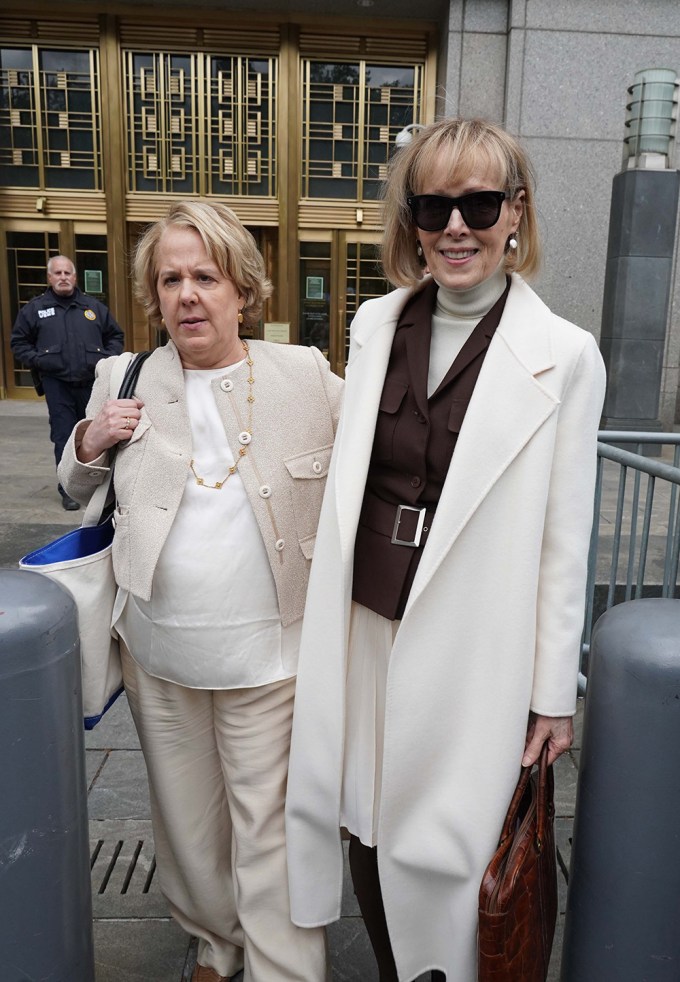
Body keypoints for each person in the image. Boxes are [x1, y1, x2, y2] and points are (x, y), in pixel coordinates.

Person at [285, 117, 606, 982]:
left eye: (478, 202)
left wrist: (551, 695)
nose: (455, 225)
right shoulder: (375, 324)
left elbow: (563, 539)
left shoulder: (567, 356)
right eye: (433, 204)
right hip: (365, 623)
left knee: (454, 844)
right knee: (363, 815)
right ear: (411, 221)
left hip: (476, 646)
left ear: (516, 214)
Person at [58, 200, 343, 982]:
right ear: (155, 295)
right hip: (158, 647)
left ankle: (283, 967)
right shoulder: (125, 375)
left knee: (269, 829)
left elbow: (388, 457)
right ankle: (215, 945)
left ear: (242, 291)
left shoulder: (304, 374)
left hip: (271, 655)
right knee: (187, 824)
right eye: (171, 278)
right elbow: (70, 480)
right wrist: (90, 440)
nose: (188, 294)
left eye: (206, 277)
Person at [11, 255, 124, 510]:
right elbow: (18, 343)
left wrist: (106, 360)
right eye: (58, 273)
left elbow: (115, 335)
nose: (63, 277)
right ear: (49, 278)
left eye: (67, 273)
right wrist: (40, 361)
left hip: (91, 384)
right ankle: (69, 489)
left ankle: (99, 482)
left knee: (98, 431)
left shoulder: (93, 308)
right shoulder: (35, 309)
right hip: (57, 384)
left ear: (75, 277)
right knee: (64, 436)